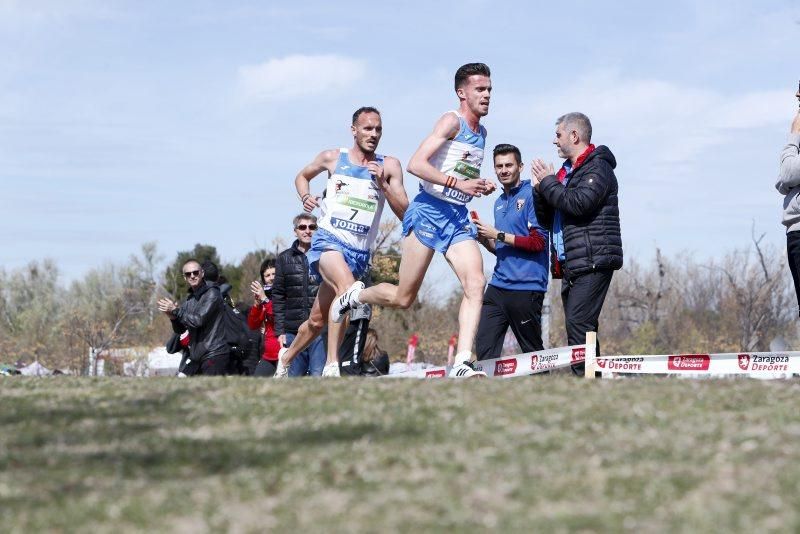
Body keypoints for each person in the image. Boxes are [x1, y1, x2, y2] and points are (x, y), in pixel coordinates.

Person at [330, 63, 496, 379]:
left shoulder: (482, 133)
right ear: (462, 93)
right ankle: (355, 295)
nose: (487, 95)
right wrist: (459, 185)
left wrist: (478, 184)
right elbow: (416, 164)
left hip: (457, 218)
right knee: (404, 298)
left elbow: (460, 171)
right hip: (428, 212)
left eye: (489, 89)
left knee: (475, 283)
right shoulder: (452, 121)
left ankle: (462, 361)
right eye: (480, 89)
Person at [274, 107, 409, 378]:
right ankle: (332, 364)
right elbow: (302, 176)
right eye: (367, 128)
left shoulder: (389, 165)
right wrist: (305, 196)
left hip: (359, 252)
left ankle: (286, 357)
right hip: (329, 241)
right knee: (347, 291)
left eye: (378, 129)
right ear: (354, 130)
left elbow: (405, 211)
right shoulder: (333, 158)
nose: (373, 134)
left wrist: (382, 184)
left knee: (316, 320)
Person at [531, 113, 622, 372]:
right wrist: (540, 191)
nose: (554, 141)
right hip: (570, 263)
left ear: (574, 136)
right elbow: (548, 218)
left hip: (594, 260)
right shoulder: (564, 174)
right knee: (581, 326)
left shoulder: (598, 167)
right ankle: (594, 382)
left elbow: (579, 204)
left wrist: (548, 182)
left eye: (558, 135)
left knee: (579, 323)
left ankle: (586, 383)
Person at [473, 143, 548, 360]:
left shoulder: (533, 195)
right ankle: (487, 393)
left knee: (532, 352)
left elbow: (538, 243)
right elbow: (502, 249)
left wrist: (496, 234)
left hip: (527, 287)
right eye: (499, 166)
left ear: (520, 167)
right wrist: (484, 238)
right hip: (497, 287)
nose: (504, 170)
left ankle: (547, 390)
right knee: (484, 348)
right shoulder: (498, 202)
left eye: (509, 165)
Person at [273, 214, 326, 376]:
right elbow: (278, 295)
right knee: (294, 379)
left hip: (319, 328)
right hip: (293, 330)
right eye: (302, 227)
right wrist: (280, 330)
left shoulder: (326, 255)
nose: (307, 231)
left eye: (312, 227)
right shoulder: (284, 258)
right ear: (295, 231)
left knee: (318, 376)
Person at [157, 259, 229, 375]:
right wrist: (172, 317)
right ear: (185, 278)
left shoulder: (212, 293)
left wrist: (176, 311)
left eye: (196, 273)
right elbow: (181, 330)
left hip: (214, 354)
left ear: (202, 274)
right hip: (198, 357)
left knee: (211, 392)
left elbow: (198, 320)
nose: (192, 276)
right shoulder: (190, 299)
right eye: (188, 274)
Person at [777, 86, 800, 316]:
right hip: (795, 231)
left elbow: (787, 174)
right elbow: (782, 181)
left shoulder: (798, 134)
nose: (797, 94)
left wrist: (793, 137)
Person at [247, 259, 281, 377]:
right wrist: (257, 305)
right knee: (256, 383)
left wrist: (266, 300)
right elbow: (253, 325)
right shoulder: (264, 296)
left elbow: (278, 316)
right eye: (267, 275)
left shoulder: (286, 293)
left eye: (274, 274)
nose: (271, 278)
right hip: (268, 355)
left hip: (285, 353)